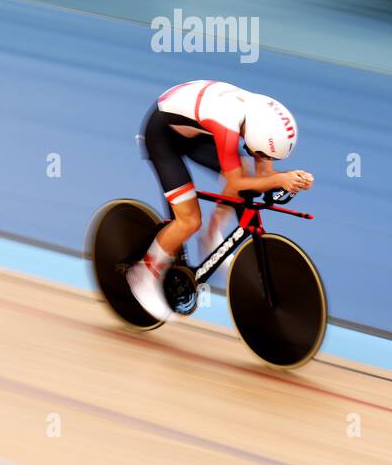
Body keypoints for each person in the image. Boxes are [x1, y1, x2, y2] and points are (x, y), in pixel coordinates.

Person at [130, 80, 314, 320]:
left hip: (197, 130)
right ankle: (143, 274)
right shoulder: (228, 123)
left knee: (244, 169)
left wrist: (288, 180)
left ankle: (210, 237)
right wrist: (281, 180)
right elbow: (236, 183)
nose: (264, 158)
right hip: (163, 135)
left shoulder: (260, 117)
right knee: (189, 220)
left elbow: (263, 173)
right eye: (263, 154)